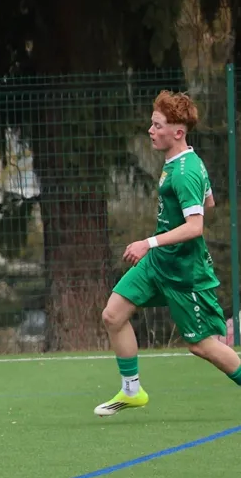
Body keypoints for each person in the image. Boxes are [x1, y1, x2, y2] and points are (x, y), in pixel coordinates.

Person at [96, 91, 241, 414]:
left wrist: (148, 242)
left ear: (177, 132)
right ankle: (131, 391)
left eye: (158, 125)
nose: (151, 130)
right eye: (152, 123)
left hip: (184, 271)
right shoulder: (181, 162)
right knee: (113, 315)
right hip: (160, 263)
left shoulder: (185, 171)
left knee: (201, 345)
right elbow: (208, 202)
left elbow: (195, 227)